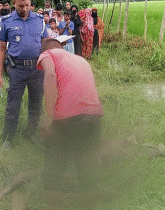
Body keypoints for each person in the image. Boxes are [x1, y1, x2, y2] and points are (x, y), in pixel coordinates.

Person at [37, 38, 103, 210]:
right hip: (94, 116)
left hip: (67, 119)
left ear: (45, 49)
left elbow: (50, 75)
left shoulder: (47, 54)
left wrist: (49, 117)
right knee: (87, 170)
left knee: (53, 171)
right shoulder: (81, 60)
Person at [0, 0, 48, 147]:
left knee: (36, 103)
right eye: (20, 6)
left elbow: (45, 43)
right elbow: (1, 49)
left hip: (37, 69)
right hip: (17, 70)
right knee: (13, 104)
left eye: (27, 5)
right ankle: (8, 137)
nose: (24, 9)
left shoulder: (39, 20)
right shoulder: (7, 21)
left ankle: (31, 133)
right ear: (14, 3)